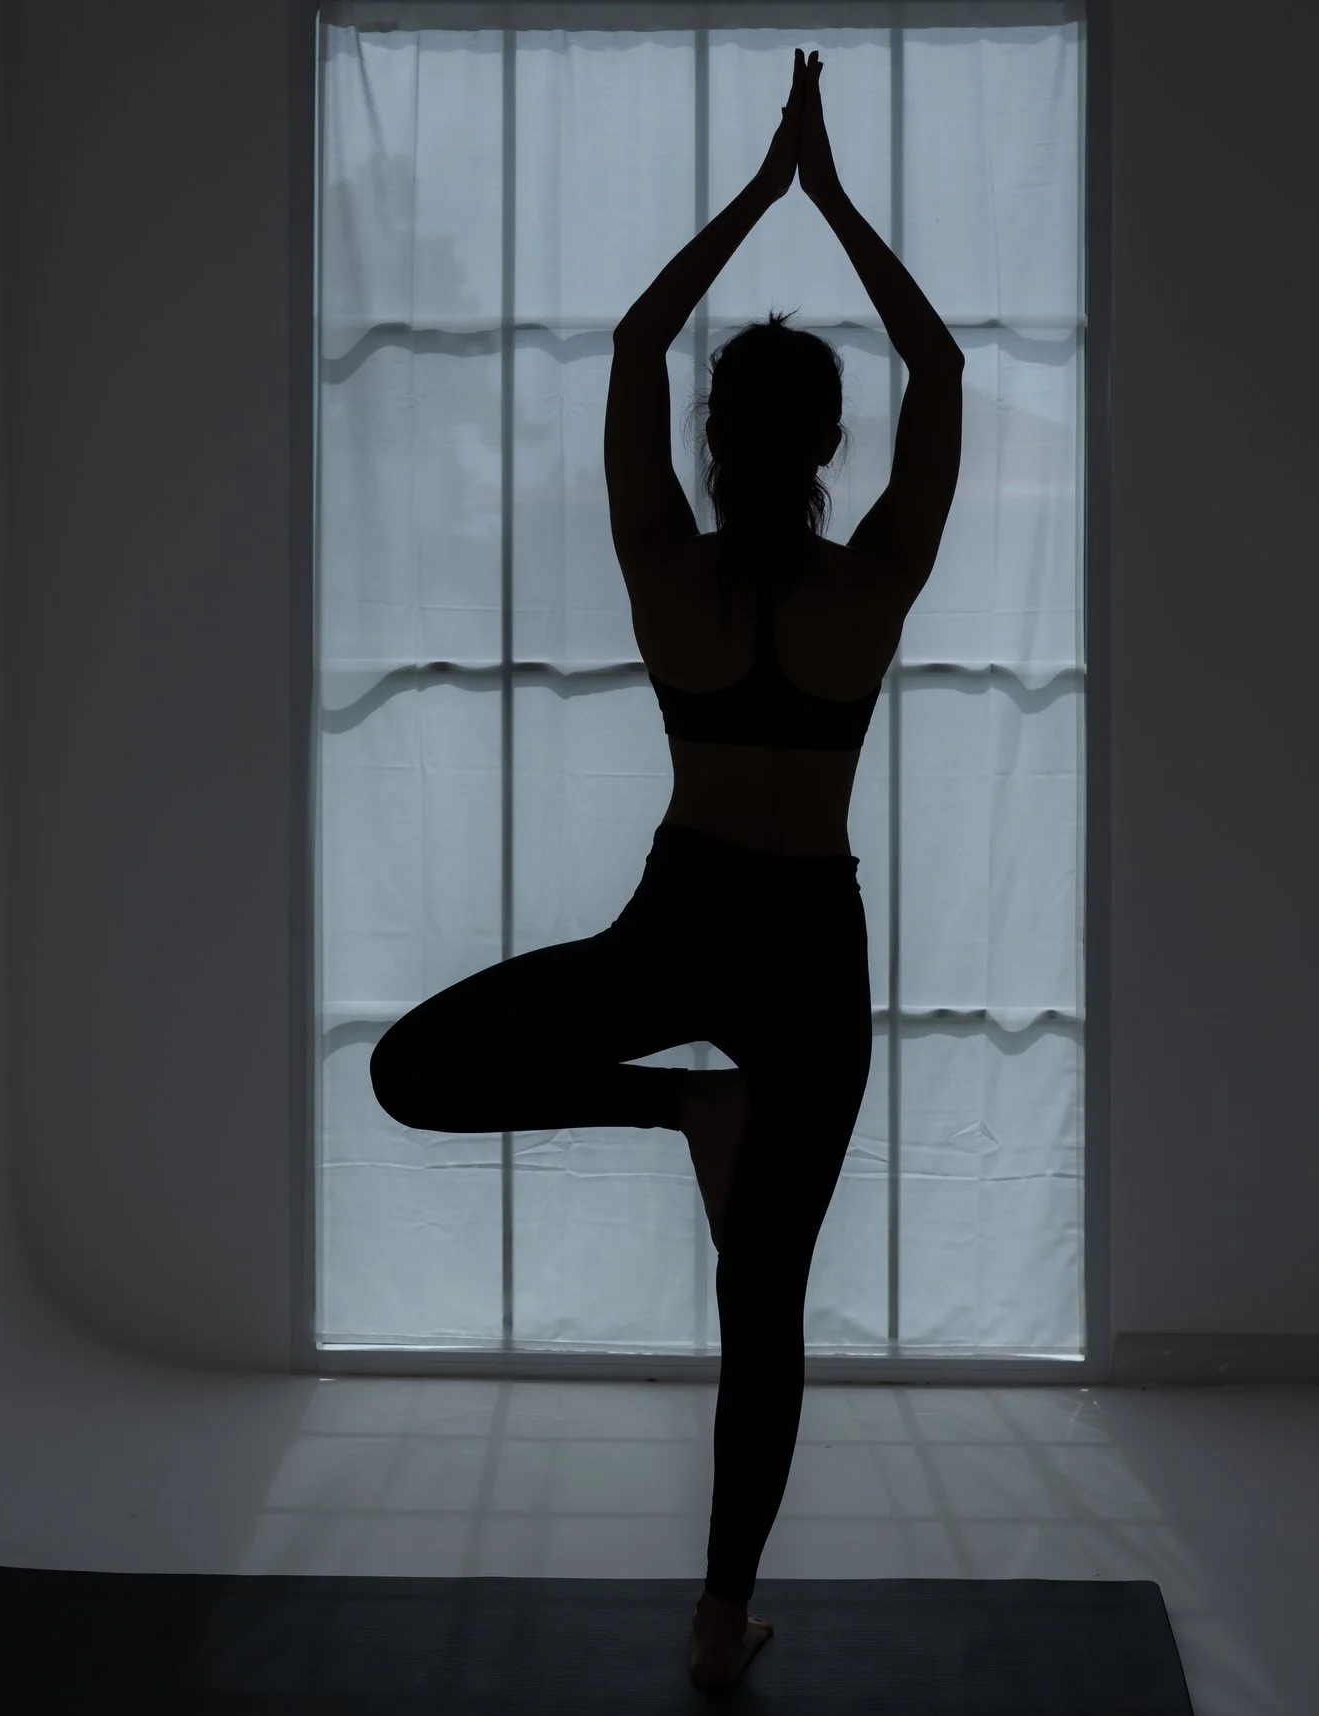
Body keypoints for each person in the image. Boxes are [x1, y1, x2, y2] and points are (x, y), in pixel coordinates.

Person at [367, 47, 963, 1694]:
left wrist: (757, 202)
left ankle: (679, 1110)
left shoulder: (664, 570)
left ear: (713, 433)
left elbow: (635, 342)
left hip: (684, 922)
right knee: (761, 1301)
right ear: (837, 438)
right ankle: (720, 1612)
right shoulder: (873, 589)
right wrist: (833, 205)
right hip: (806, 950)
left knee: (414, 1074)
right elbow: (942, 360)